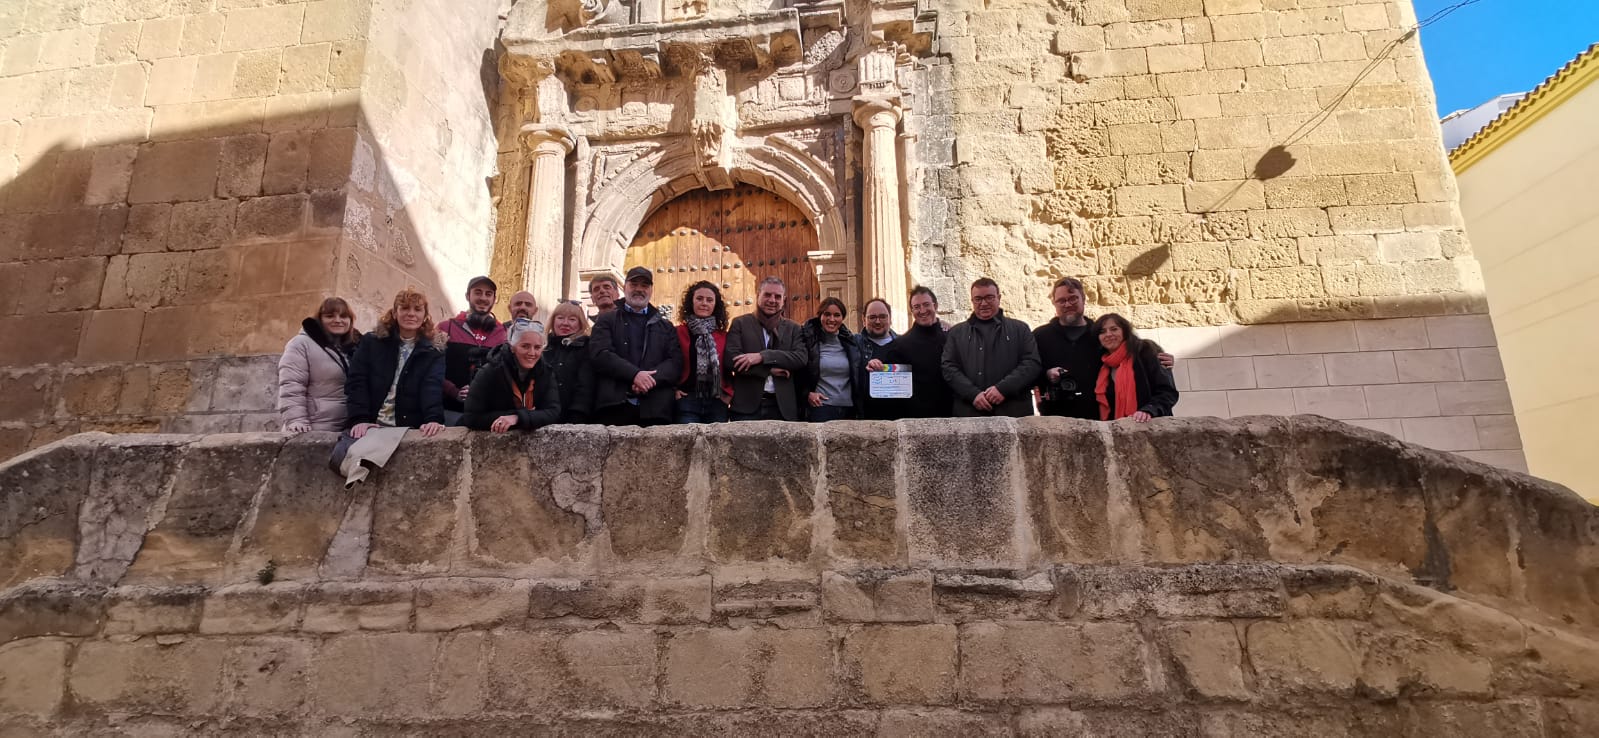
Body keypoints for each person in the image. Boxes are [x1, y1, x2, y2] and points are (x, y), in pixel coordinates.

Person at [1034, 277, 1176, 420]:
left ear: (1083, 298)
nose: (1067, 304)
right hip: (1055, 417)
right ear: (1054, 303)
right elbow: (1029, 370)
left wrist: (1158, 357)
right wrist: (1046, 375)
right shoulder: (1039, 336)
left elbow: (1129, 354)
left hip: (1100, 418)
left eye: (1073, 299)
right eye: (1061, 300)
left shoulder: (1099, 333)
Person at [344, 287, 446, 438]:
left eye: (417, 309)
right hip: (371, 423)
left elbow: (432, 386)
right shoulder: (372, 342)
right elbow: (357, 381)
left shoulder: (433, 352)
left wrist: (433, 419)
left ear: (425, 316)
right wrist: (359, 419)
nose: (411, 314)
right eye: (404, 308)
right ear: (394, 313)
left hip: (407, 427)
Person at [588, 266, 682, 426]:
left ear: (651, 290)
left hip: (656, 409)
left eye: (644, 285)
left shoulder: (666, 327)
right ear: (624, 288)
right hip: (614, 407)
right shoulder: (606, 321)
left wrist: (648, 380)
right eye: (634, 284)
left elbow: (675, 363)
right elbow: (600, 354)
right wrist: (634, 375)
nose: (639, 289)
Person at [941, 278, 1042, 417]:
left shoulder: (1020, 329)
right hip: (970, 413)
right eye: (978, 299)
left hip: (1013, 412)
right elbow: (948, 367)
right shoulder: (957, 333)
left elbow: (1031, 363)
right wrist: (973, 394)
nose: (983, 303)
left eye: (989, 297)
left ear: (999, 298)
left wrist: (1003, 389)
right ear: (972, 301)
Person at [725, 276, 808, 421]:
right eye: (767, 295)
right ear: (758, 295)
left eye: (777, 296)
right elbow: (731, 360)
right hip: (746, 408)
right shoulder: (740, 323)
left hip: (782, 408)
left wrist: (763, 356)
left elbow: (800, 358)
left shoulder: (793, 328)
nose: (772, 300)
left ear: (784, 300)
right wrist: (768, 370)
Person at [462, 318, 561, 432]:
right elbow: (472, 417)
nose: (532, 353)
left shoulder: (545, 372)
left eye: (537, 347)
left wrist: (518, 418)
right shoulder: (490, 372)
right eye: (525, 346)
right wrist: (525, 415)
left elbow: (553, 411)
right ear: (512, 347)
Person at [277, 297, 361, 432]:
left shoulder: (355, 348)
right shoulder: (301, 344)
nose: (338, 320)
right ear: (320, 319)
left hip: (346, 427)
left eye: (344, 316)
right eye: (330, 316)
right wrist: (296, 420)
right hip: (312, 426)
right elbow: (292, 385)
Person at [868, 286, 953, 419]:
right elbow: (889, 391)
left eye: (926, 305)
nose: (922, 310)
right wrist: (876, 368)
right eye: (917, 307)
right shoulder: (900, 345)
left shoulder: (952, 337)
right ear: (912, 310)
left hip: (953, 416)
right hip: (917, 420)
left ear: (935, 306)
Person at [437, 276, 507, 423]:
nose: (483, 298)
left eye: (488, 294)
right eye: (478, 292)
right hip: (449, 412)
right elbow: (431, 369)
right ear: (468, 296)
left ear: (495, 299)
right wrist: (453, 391)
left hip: (486, 415)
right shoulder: (445, 328)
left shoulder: (502, 333)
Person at [1092, 313, 1178, 422]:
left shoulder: (1145, 350)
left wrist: (1149, 411)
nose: (1108, 334)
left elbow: (1167, 392)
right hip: (1118, 430)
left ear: (1125, 331)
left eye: (1114, 329)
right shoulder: (1102, 365)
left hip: (1151, 426)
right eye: (1102, 332)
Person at [674, 280, 732, 423]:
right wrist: (673, 390)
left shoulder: (724, 336)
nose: (704, 303)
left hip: (717, 403)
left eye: (709, 300)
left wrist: (729, 394)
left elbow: (731, 366)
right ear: (691, 302)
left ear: (715, 305)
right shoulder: (677, 332)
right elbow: (670, 362)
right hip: (687, 400)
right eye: (699, 299)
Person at [801, 297, 865, 422]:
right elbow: (799, 371)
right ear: (820, 317)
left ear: (842, 318)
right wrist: (807, 393)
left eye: (837, 315)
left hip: (849, 409)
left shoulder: (851, 342)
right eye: (827, 314)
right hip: (821, 408)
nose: (832, 319)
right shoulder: (808, 341)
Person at [543, 300, 594, 423]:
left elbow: (585, 386)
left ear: (580, 324)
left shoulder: (586, 347)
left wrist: (577, 416)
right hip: (544, 414)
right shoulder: (542, 347)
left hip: (574, 417)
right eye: (560, 318)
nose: (565, 323)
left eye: (572, 319)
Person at [855, 298, 897, 419]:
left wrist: (940, 324)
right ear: (863, 320)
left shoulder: (904, 344)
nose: (878, 321)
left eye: (883, 316)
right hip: (863, 418)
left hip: (898, 418)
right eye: (872, 317)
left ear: (890, 318)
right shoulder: (853, 343)